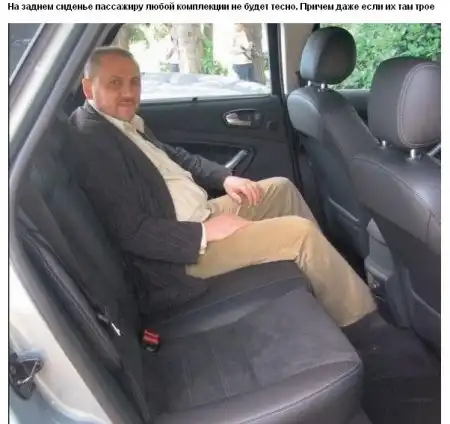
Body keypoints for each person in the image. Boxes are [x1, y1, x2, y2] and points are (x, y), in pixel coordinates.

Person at [67, 46, 380, 332]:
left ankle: (326, 281)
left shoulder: (123, 123)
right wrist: (207, 232)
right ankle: (364, 323)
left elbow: (176, 156)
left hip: (197, 217)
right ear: (88, 88)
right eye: (115, 83)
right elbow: (133, 233)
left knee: (280, 189)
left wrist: (224, 179)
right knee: (300, 235)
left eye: (134, 82)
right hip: (177, 259)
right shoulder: (93, 141)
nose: (128, 92)